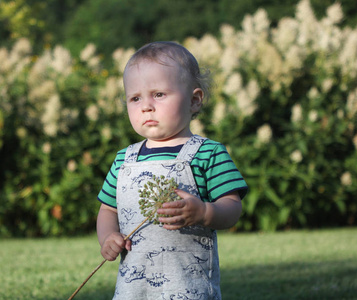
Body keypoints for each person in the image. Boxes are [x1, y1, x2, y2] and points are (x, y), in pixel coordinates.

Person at [96, 41, 248, 299]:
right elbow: (108, 209)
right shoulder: (124, 159)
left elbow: (232, 207)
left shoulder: (207, 153)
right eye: (135, 98)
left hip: (188, 284)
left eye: (158, 94)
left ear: (194, 100)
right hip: (134, 287)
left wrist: (204, 211)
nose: (146, 106)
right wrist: (108, 236)